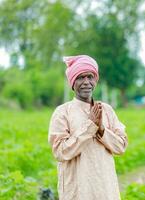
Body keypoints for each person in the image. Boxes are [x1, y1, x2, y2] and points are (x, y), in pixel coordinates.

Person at [48, 55, 128, 200]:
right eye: (80, 77)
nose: (86, 82)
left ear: (95, 80)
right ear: (72, 83)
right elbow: (60, 152)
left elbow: (121, 146)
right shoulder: (62, 112)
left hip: (105, 187)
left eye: (90, 77)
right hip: (78, 190)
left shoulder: (107, 110)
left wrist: (102, 130)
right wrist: (90, 126)